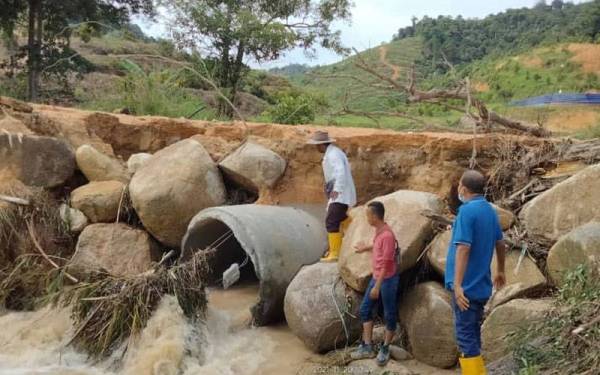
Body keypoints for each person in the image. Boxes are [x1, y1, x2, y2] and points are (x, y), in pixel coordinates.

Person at [445, 170, 507, 375]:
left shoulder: (467, 211)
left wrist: (458, 284)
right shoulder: (489, 210)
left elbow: (463, 247)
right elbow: (500, 242)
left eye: (459, 185)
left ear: (463, 188)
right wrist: (500, 270)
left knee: (465, 338)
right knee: (473, 334)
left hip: (467, 289)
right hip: (481, 286)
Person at [351, 201, 399, 367]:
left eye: (367, 215)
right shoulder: (380, 230)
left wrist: (377, 286)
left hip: (387, 280)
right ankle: (367, 346)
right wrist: (366, 247)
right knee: (365, 309)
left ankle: (385, 347)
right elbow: (380, 248)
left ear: (374, 216)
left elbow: (387, 262)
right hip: (377, 277)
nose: (366, 218)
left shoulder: (387, 235)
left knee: (389, 313)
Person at [307, 131, 357, 262]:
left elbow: (340, 173)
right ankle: (356, 232)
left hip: (340, 194)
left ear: (321, 145)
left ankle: (335, 252)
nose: (316, 148)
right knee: (341, 217)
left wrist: (336, 191)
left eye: (316, 145)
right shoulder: (333, 152)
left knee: (331, 221)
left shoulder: (333, 155)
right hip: (339, 193)